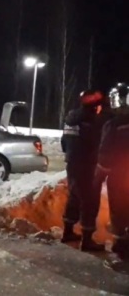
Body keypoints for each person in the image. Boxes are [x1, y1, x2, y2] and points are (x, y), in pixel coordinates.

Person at [60, 89, 109, 251]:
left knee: (74, 196)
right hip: (88, 166)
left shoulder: (70, 118)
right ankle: (87, 241)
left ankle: (67, 232)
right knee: (90, 201)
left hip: (72, 163)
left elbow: (63, 143)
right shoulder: (93, 121)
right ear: (96, 106)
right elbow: (98, 144)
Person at [95, 83, 129, 264]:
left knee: (119, 210)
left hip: (120, 175)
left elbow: (106, 151)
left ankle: (122, 247)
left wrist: (99, 175)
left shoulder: (113, 124)